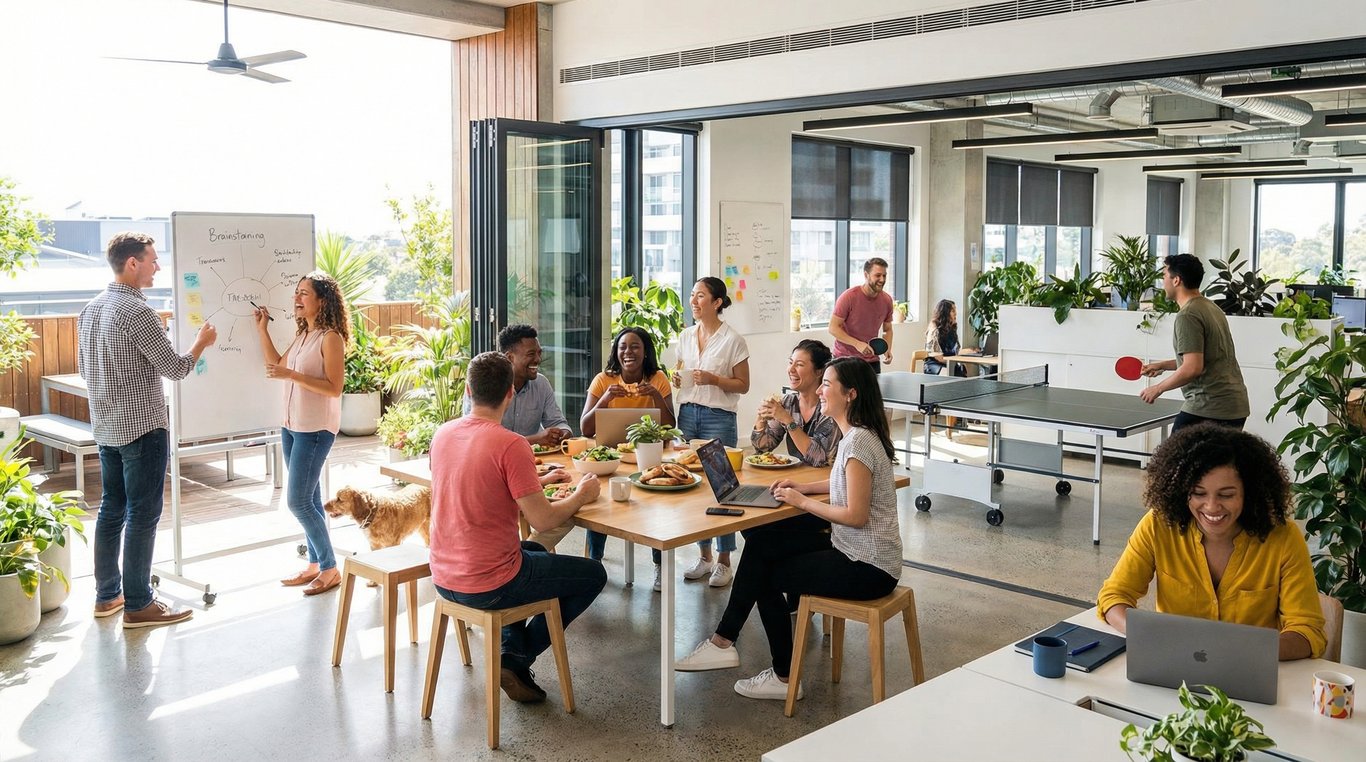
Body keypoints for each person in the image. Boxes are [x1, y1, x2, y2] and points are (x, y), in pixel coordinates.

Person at [674, 358, 903, 699]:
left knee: (764, 575)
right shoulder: (857, 435)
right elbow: (841, 481)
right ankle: (723, 642)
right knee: (762, 544)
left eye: (827, 384)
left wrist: (801, 501)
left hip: (868, 567)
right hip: (853, 550)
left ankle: (782, 677)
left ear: (851, 394)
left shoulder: (858, 442)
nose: (821, 390)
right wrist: (803, 487)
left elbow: (855, 515)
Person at [429, 351, 608, 702]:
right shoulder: (510, 444)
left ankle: (511, 654)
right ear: (510, 393)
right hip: (490, 583)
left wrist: (537, 481)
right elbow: (543, 519)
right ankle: (517, 655)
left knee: (534, 549)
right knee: (593, 574)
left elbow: (480, 481)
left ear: (468, 390)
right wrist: (582, 495)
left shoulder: (443, 434)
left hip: (444, 576)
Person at [78, 232, 218, 629]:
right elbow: (176, 368)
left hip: (107, 427)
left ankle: (108, 596)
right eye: (153, 260)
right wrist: (201, 342)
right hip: (142, 429)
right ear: (132, 263)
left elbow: (86, 371)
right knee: (142, 515)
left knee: (111, 510)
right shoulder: (139, 313)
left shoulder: (90, 309)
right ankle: (139, 604)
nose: (158, 266)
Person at [1097, 424, 1325, 661]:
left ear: (1250, 493)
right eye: (1198, 493)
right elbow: (1114, 596)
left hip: (1249, 668)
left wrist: (1237, 652)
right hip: (1174, 666)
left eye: (1226, 495)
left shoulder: (1283, 537)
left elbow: (1307, 632)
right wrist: (1148, 636)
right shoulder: (1158, 525)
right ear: (1182, 490)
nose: (1212, 507)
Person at [253, 272, 349, 596]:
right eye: (296, 292)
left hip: (315, 429)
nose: (297, 298)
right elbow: (277, 366)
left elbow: (334, 388)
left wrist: (291, 374)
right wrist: (262, 330)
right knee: (310, 500)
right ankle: (314, 564)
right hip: (292, 426)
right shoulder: (304, 335)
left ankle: (330, 568)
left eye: (304, 293)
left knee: (298, 502)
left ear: (322, 300)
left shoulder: (330, 338)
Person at [667, 276, 751, 592]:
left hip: (719, 417)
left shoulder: (734, 340)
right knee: (693, 484)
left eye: (700, 295)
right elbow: (679, 370)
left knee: (722, 488)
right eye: (692, 295)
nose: (693, 301)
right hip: (688, 414)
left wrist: (714, 379)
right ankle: (704, 556)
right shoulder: (686, 336)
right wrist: (677, 379)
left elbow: (743, 385)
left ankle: (724, 559)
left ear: (716, 302)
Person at [580, 327, 676, 560]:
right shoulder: (603, 380)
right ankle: (595, 561)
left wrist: (655, 396)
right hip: (610, 457)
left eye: (635, 347)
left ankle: (659, 563)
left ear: (645, 352)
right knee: (600, 503)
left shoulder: (658, 379)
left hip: (647, 456)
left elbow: (670, 427)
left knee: (657, 503)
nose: (628, 352)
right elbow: (585, 428)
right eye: (622, 347)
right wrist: (605, 399)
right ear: (616, 352)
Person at [1138, 254, 1249, 431]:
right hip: (1234, 405)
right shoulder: (1210, 307)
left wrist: (1157, 389)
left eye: (1164, 276)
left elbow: (1192, 368)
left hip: (1209, 407)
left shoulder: (1188, 314)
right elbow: (1204, 358)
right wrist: (1162, 365)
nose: (1162, 282)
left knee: (1175, 450)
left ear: (1176, 280)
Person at [462, 324, 573, 449]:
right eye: (531, 354)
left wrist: (563, 432)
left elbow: (556, 422)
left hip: (536, 459)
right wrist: (535, 440)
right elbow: (477, 437)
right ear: (510, 358)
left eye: (539, 353)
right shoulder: (486, 385)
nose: (538, 359)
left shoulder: (541, 384)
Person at [751, 339, 841, 467]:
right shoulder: (789, 402)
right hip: (797, 475)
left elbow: (819, 459)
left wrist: (788, 421)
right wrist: (761, 418)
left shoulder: (829, 408)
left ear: (819, 372)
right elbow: (763, 447)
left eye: (799, 365)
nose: (791, 369)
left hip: (825, 477)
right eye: (790, 362)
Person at [829, 257, 893, 373]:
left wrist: (887, 348)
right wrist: (857, 344)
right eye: (878, 275)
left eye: (884, 276)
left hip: (871, 361)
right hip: (844, 360)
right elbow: (833, 328)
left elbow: (887, 329)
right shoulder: (848, 297)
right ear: (866, 275)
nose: (882, 279)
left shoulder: (887, 300)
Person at [922, 299, 967, 377]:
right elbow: (938, 357)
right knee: (950, 375)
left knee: (962, 371)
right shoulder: (934, 329)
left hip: (949, 363)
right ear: (945, 313)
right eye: (953, 311)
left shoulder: (951, 328)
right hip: (935, 365)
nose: (956, 313)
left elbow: (956, 351)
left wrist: (971, 351)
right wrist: (953, 362)